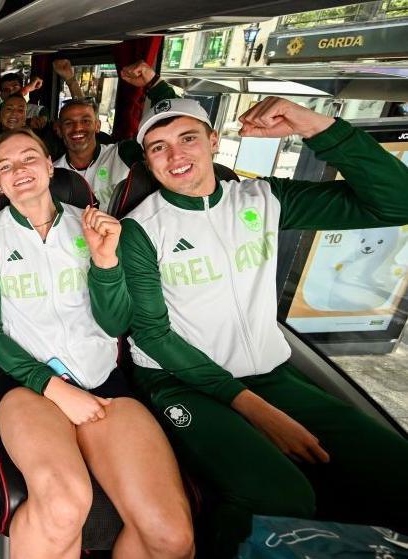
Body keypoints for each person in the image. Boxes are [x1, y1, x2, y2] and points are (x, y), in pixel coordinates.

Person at [121, 96, 408, 556]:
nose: (176, 155)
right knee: (283, 496)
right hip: (179, 382)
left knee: (396, 469)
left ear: (214, 141)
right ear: (147, 160)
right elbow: (153, 336)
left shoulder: (265, 199)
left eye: (188, 138)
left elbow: (396, 203)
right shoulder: (140, 229)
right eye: (158, 147)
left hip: (269, 374)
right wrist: (257, 411)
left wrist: (316, 126)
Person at [0, 128, 194, 559]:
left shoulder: (96, 226)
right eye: (5, 166)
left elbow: (116, 323)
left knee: (171, 537)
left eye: (29, 158)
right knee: (65, 506)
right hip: (26, 386)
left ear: (52, 166)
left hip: (103, 381)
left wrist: (105, 262)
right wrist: (55, 389)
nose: (20, 170)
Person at [52, 60, 178, 209]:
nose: (78, 128)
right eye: (68, 123)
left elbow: (174, 126)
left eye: (86, 121)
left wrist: (154, 82)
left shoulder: (123, 153)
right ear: (59, 130)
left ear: (97, 126)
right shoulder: (53, 173)